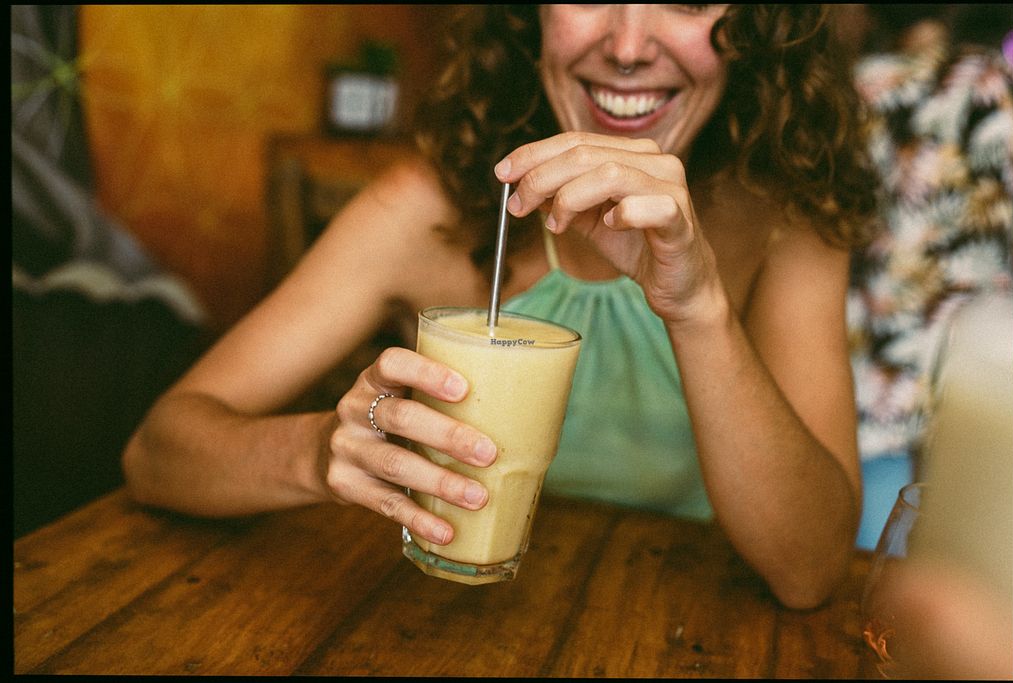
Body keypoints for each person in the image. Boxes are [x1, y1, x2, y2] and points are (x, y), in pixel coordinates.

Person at [123, 5, 879, 609]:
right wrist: (318, 451)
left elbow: (809, 570)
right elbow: (155, 454)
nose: (627, 47)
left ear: (755, 25)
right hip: (434, 615)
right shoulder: (424, 212)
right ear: (529, 15)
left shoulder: (785, 220)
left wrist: (698, 305)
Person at [841, 4, 1013, 549]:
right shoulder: (987, 82)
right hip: (960, 387)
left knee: (866, 571)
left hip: (863, 386)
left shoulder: (852, 89)